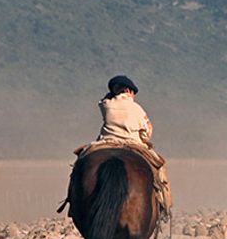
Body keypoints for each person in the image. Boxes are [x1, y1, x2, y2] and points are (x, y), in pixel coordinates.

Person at [66, 75, 172, 217]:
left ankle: (72, 202)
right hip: (132, 143)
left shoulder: (106, 105)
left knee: (80, 163)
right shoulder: (136, 108)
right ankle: (164, 204)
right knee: (160, 167)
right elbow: (147, 133)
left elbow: (103, 100)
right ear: (129, 91)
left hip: (106, 141)